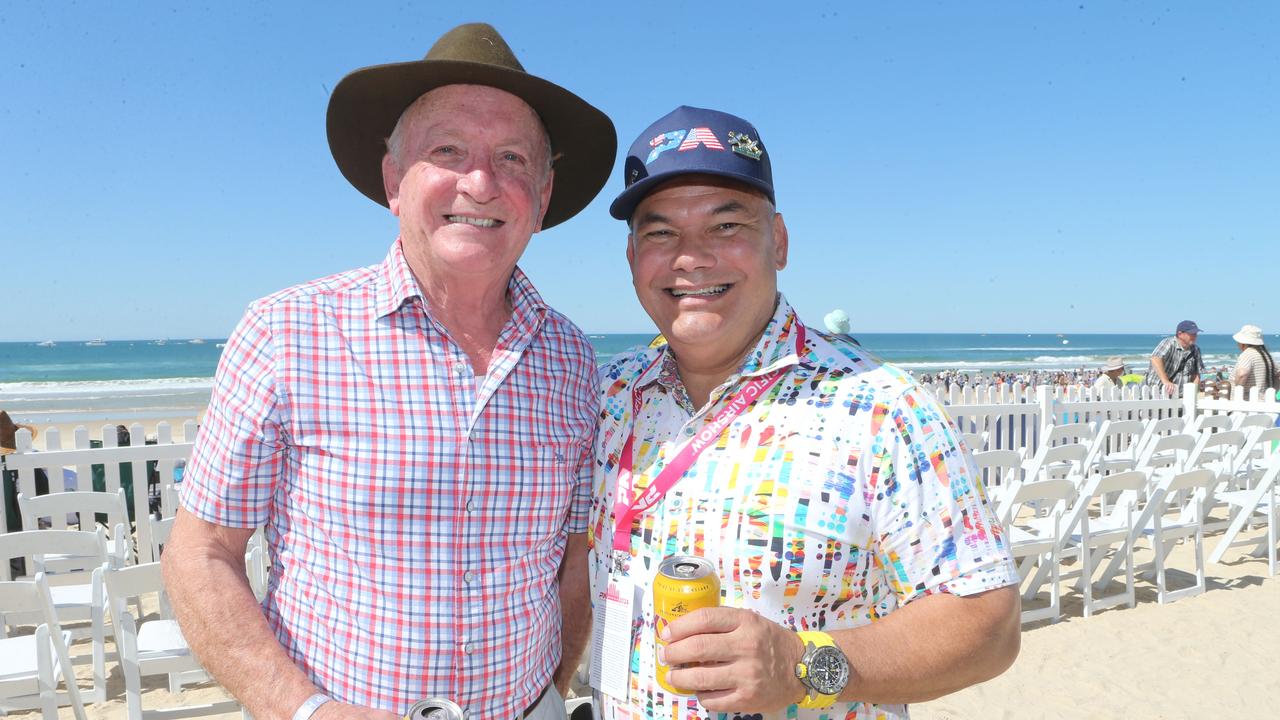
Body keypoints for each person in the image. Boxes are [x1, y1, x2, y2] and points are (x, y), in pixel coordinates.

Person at [161, 23, 616, 720]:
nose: (481, 182)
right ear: (394, 181)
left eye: (513, 158)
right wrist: (307, 711)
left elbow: (572, 559)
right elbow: (200, 554)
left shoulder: (574, 361)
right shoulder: (289, 331)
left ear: (544, 196)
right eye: (447, 150)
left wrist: (553, 688)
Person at [585, 106, 1020, 720]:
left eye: (726, 224)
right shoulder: (604, 394)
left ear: (779, 241)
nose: (691, 257)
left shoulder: (882, 408)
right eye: (660, 233)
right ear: (632, 256)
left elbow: (989, 625)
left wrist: (798, 664)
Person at [1144, 320, 1204, 395]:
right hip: (1157, 392)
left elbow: (1196, 374)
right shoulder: (1169, 343)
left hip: (1180, 395)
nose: (1195, 336)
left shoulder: (1195, 350)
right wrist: (1166, 381)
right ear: (1180, 334)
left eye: (1195, 333)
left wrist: (1193, 392)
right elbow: (1155, 358)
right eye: (1191, 333)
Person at [1231, 324, 1277, 394]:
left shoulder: (1248, 354)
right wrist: (1274, 391)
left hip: (1247, 401)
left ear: (1243, 343)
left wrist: (1237, 391)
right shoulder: (1268, 356)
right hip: (1266, 401)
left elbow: (1242, 374)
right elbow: (1278, 374)